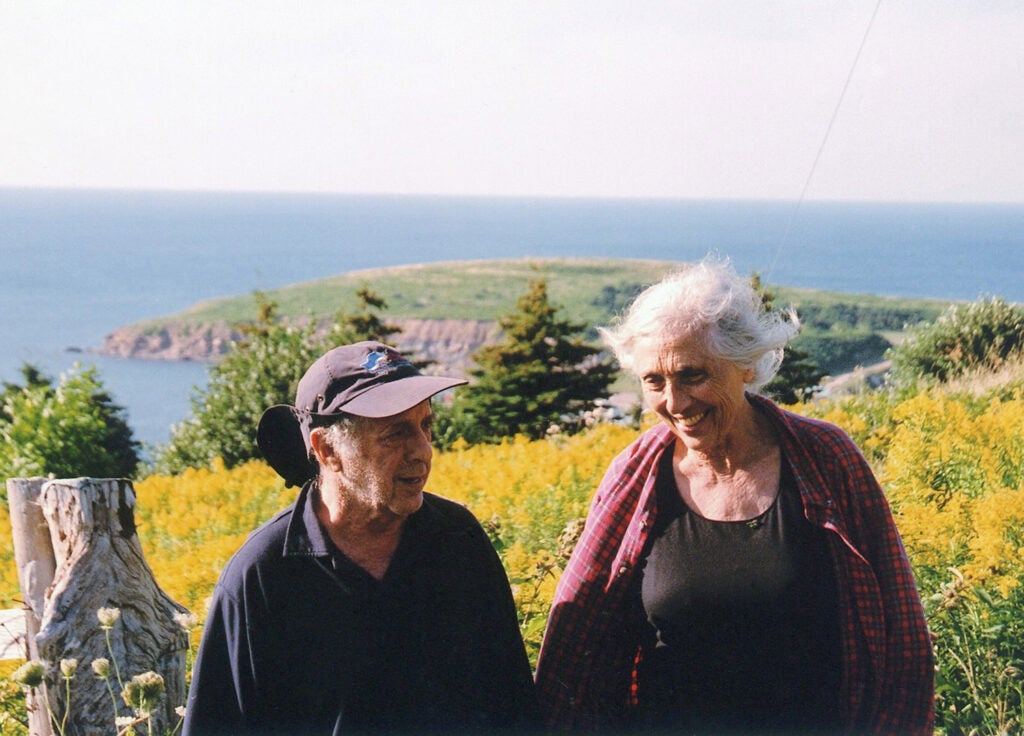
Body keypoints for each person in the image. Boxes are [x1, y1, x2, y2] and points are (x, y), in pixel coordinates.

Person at [534, 258, 934, 735]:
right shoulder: (634, 477)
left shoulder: (826, 458)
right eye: (654, 382)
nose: (675, 403)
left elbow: (904, 637)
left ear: (746, 364)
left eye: (693, 375)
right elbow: (573, 646)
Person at [182, 341, 536, 736]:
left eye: (426, 425)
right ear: (327, 449)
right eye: (395, 433)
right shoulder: (262, 576)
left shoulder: (459, 541)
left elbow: (514, 706)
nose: (422, 451)